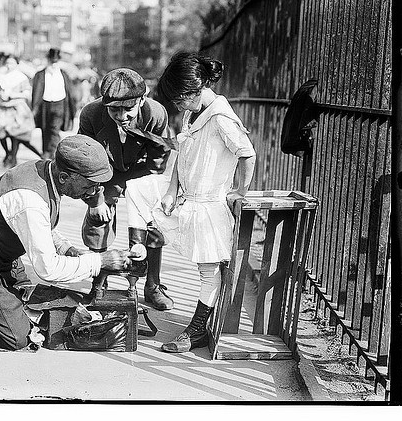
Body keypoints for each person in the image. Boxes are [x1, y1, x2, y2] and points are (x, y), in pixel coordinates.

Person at [0, 135, 136, 350]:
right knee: (15, 335)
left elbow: (41, 226)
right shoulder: (30, 199)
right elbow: (47, 269)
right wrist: (99, 261)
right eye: (90, 184)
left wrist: (66, 249)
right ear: (64, 178)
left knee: (33, 307)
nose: (95, 191)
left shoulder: (46, 171)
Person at [125, 51, 256, 353]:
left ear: (194, 91)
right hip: (189, 200)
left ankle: (197, 328)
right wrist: (171, 190)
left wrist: (241, 191)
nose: (176, 106)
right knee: (139, 193)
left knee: (208, 271)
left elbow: (247, 153)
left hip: (210, 204)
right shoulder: (191, 113)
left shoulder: (221, 118)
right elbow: (181, 156)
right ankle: (145, 275)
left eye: (179, 100)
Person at [77, 67, 174, 310]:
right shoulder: (91, 114)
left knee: (151, 222)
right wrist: (96, 200)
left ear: (142, 99)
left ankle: (152, 286)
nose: (121, 116)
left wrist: (146, 198)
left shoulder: (156, 114)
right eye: (114, 109)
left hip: (142, 170)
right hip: (105, 170)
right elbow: (86, 162)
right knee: (98, 219)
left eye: (127, 109)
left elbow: (158, 160)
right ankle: (98, 284)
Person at [0, 55, 42, 167]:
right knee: (1, 133)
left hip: (17, 108)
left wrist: (13, 95)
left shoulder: (21, 78)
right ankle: (7, 153)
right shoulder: (0, 77)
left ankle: (13, 158)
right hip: (3, 108)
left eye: (12, 63)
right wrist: (1, 94)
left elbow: (27, 93)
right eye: (8, 63)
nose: (10, 65)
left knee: (16, 134)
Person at [31, 48, 77, 159]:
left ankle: (53, 153)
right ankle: (46, 152)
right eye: (52, 61)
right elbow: (35, 93)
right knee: (45, 128)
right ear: (47, 60)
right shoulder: (40, 75)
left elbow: (70, 92)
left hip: (60, 105)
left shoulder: (63, 75)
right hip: (44, 105)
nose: (54, 64)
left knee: (54, 130)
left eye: (56, 62)